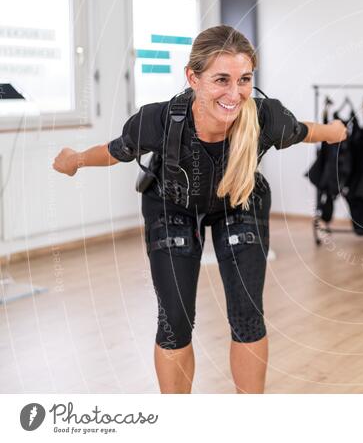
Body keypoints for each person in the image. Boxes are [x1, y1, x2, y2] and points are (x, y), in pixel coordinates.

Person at [52, 25, 346, 394]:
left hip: (239, 201)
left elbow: (306, 130)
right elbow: (115, 151)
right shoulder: (159, 120)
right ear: (193, 77)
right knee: (174, 321)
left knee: (247, 315)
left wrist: (336, 130)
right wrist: (75, 159)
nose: (235, 93)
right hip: (170, 205)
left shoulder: (266, 118)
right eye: (221, 79)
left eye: (244, 79)